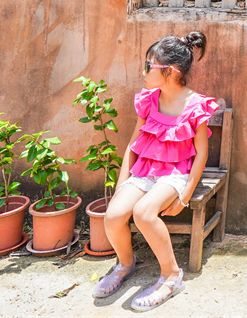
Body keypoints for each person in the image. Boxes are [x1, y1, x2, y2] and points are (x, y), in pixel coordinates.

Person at [93, 32, 217, 311]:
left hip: (175, 175)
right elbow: (134, 144)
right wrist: (121, 185)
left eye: (149, 66)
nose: (144, 71)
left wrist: (184, 196)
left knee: (144, 212)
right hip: (145, 171)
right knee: (113, 215)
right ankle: (125, 264)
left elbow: (201, 156)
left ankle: (172, 276)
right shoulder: (149, 100)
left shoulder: (195, 106)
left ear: (170, 72)